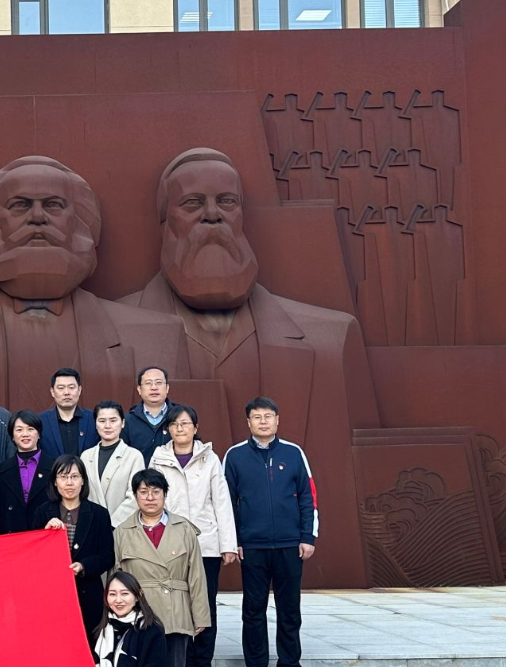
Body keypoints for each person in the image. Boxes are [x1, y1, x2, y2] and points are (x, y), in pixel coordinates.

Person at [119, 148, 378, 580]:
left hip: (266, 546)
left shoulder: (331, 336)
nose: (212, 215)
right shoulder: (117, 333)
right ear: (165, 222)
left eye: (227, 201)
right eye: (192, 203)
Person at [0, 156, 188, 407]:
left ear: (78, 220)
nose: (37, 217)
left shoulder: (159, 336)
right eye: (20, 205)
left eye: (53, 205)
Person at [113, 469, 209, 667]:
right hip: (139, 619)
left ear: (165, 495)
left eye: (156, 491)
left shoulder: (183, 529)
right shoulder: (122, 532)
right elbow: (115, 577)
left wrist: (200, 614)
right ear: (135, 496)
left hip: (175, 612)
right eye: (143, 492)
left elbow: (196, 575)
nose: (150, 497)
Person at [223, 396, 318, 667]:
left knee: (289, 609)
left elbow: (308, 497)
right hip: (252, 546)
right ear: (248, 422)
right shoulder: (235, 456)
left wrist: (308, 536)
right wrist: (234, 540)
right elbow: (227, 503)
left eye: (268, 416)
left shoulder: (294, 453)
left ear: (277, 420)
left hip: (290, 544)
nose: (263, 422)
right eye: (257, 417)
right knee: (253, 610)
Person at [149, 404, 238, 667]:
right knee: (178, 605)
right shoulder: (159, 458)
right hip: (172, 545)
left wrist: (228, 544)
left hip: (206, 544)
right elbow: (152, 500)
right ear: (168, 429)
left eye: (186, 424)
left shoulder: (210, 458)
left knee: (205, 604)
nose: (180, 429)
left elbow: (222, 502)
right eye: (175, 424)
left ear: (195, 428)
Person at [33, 454, 114, 667]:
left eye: (75, 476)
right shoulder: (43, 512)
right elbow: (28, 552)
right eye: (63, 477)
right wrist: (44, 532)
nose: (69, 482)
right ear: (55, 482)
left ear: (83, 481)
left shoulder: (98, 514)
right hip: (52, 603)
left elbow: (107, 555)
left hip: (87, 600)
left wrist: (84, 566)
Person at [82, 401, 147, 527]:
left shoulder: (134, 456)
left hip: (122, 527)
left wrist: (110, 524)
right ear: (95, 424)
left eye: (113, 420)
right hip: (91, 526)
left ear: (122, 423)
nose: (107, 426)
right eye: (102, 421)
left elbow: (135, 496)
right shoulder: (86, 456)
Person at [0, 410, 49, 535]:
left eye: (30, 429)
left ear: (39, 434)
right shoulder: (3, 469)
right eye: (19, 430)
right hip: (12, 539)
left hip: (44, 536)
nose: (25, 434)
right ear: (12, 436)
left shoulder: (53, 467)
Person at [39, 368, 98, 461]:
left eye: (71, 387)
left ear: (79, 390)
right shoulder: (41, 422)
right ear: (52, 392)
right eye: (61, 388)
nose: (66, 392)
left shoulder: (94, 419)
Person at [123, 367, 176, 465]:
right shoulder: (128, 421)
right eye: (148, 383)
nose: (154, 387)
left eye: (159, 383)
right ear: (139, 389)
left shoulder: (180, 416)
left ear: (167, 388)